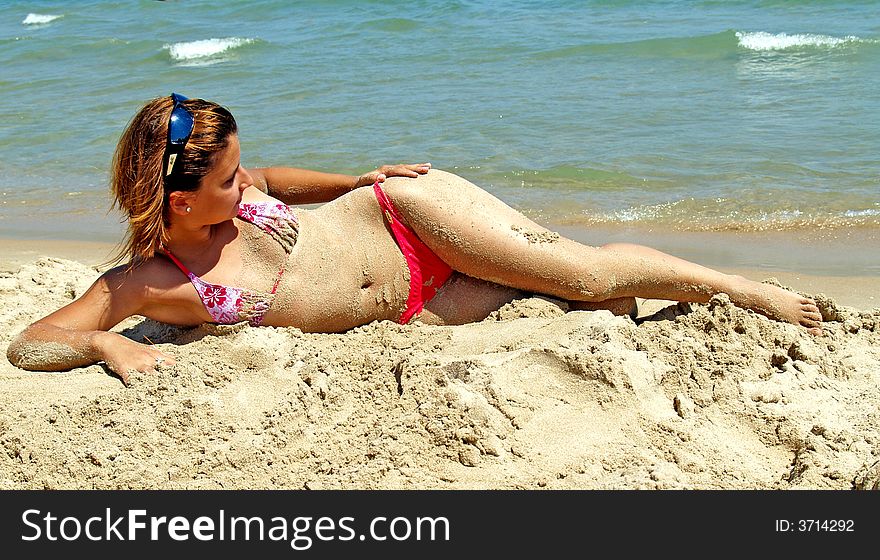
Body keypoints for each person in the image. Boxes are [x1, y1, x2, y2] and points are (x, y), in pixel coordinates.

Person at [6, 94, 824, 385]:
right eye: (227, 179)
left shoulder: (236, 192)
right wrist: (110, 350)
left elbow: (282, 180)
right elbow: (31, 345)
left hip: (408, 218)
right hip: (416, 308)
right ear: (177, 200)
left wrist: (360, 180)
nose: (244, 183)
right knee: (589, 304)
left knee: (580, 276)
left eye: (240, 170)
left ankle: (750, 292)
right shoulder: (144, 281)